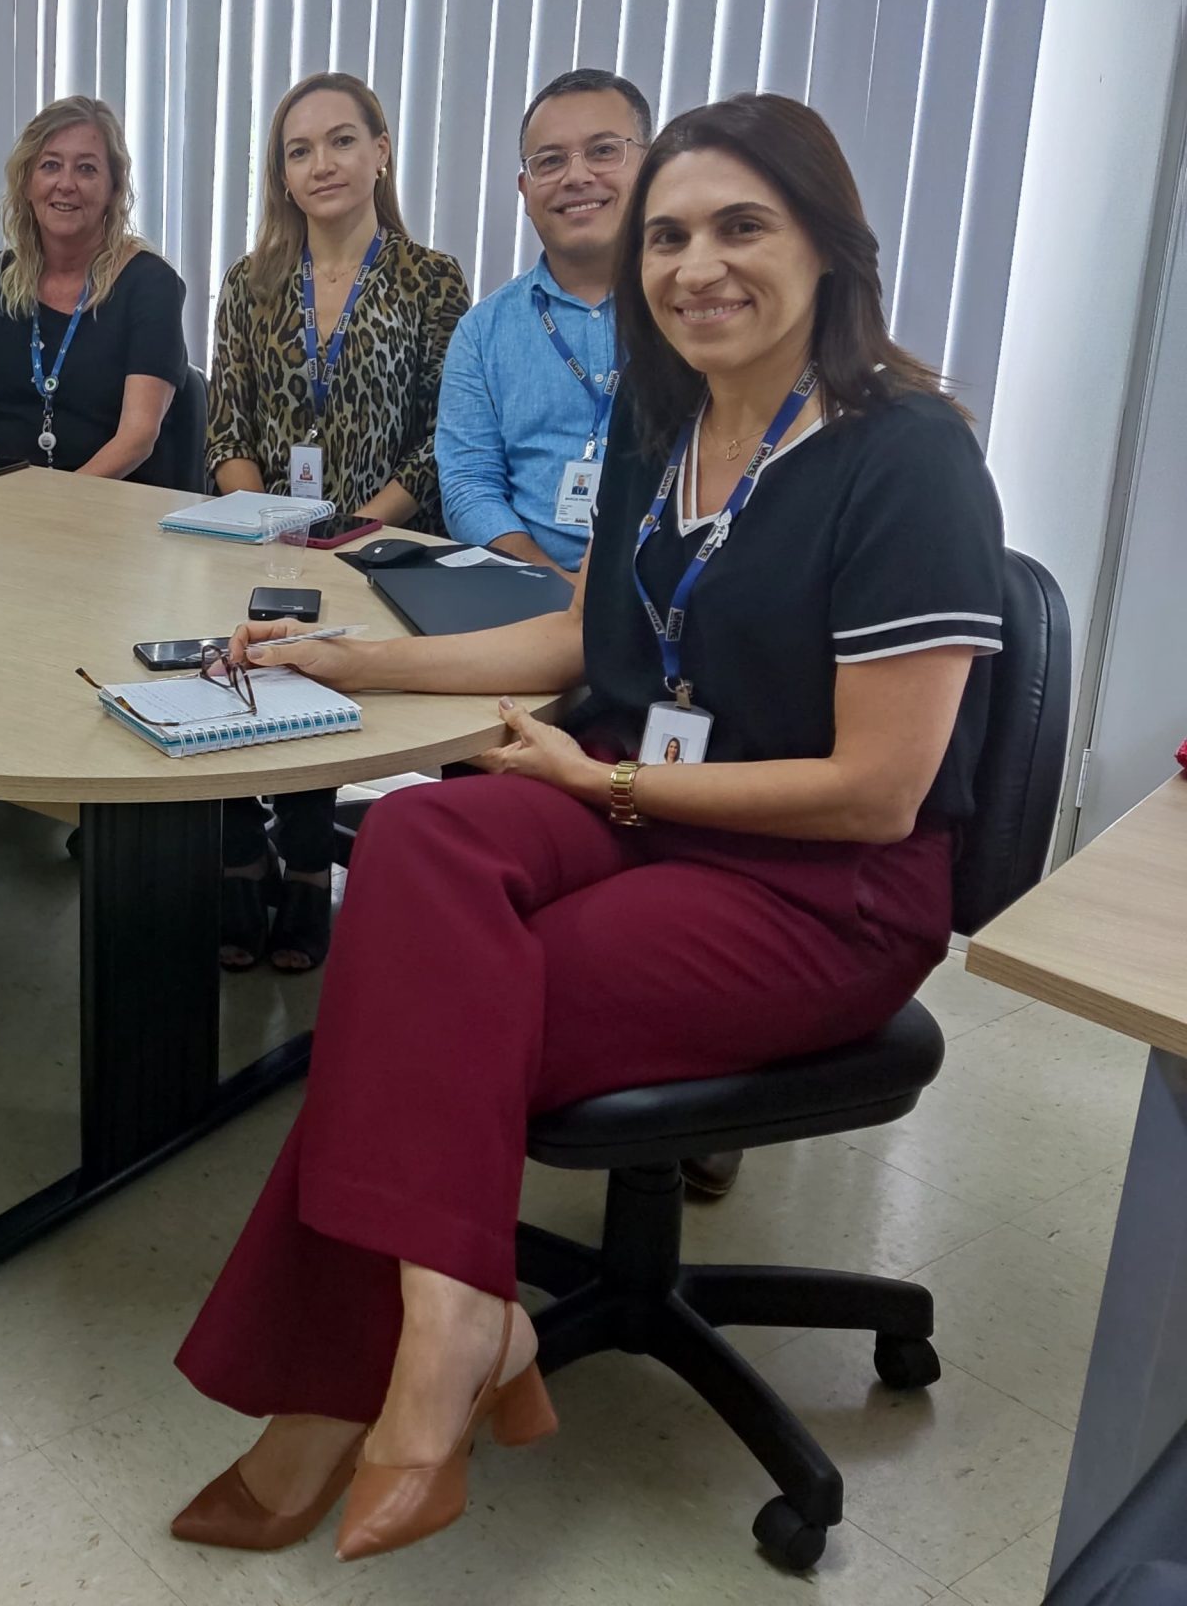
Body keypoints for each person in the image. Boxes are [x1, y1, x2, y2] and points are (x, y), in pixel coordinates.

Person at [168, 93, 1003, 1562]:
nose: (697, 266)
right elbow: (579, 637)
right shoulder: (663, 424)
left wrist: (606, 788)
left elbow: (876, 790)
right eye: (669, 236)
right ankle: (460, 1315)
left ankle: (339, 1397)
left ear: (826, 245)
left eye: (741, 227)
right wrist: (354, 663)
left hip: (822, 886)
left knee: (436, 1007)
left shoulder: (909, 454)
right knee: (418, 845)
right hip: (639, 793)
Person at [205, 72, 470, 974]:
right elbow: (227, 429)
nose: (322, 163)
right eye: (300, 149)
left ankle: (311, 866)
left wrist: (352, 529)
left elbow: (442, 435)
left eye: (343, 140)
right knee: (235, 660)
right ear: (281, 174)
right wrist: (268, 524)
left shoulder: (431, 279)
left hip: (379, 542)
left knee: (317, 669)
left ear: (381, 152)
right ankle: (241, 855)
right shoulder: (249, 282)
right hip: (258, 537)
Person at [437, 67, 653, 579]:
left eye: (604, 151)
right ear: (525, 189)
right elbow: (469, 486)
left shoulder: (695, 313)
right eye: (550, 161)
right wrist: (553, 585)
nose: (576, 176)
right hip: (524, 592)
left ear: (652, 167)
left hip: (667, 595)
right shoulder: (482, 332)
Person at [0, 95, 186, 485]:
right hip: (2, 500)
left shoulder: (150, 284)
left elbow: (137, 437)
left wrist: (57, 504)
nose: (66, 184)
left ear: (113, 189)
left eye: (86, 169)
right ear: (27, 182)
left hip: (111, 503)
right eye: (50, 165)